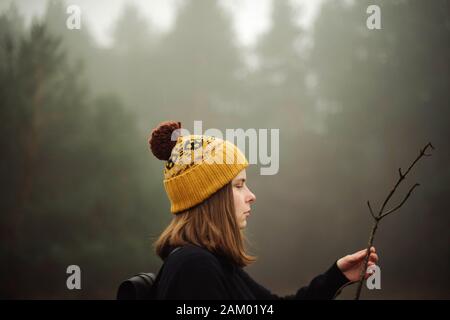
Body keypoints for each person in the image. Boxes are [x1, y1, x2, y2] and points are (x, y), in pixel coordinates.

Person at [148, 120, 378, 300]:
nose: (251, 196)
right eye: (238, 185)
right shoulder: (195, 267)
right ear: (210, 198)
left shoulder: (214, 262)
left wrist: (336, 277)